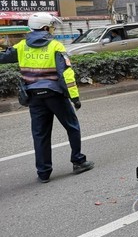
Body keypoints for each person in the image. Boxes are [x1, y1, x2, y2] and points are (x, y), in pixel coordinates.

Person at [0, 12, 94, 183]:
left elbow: (2, 57)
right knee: (72, 127)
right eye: (51, 26)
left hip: (34, 97)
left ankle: (43, 172)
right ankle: (78, 161)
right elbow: (66, 74)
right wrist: (75, 98)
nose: (52, 29)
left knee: (40, 134)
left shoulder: (22, 46)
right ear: (44, 27)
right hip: (55, 96)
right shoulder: (55, 46)